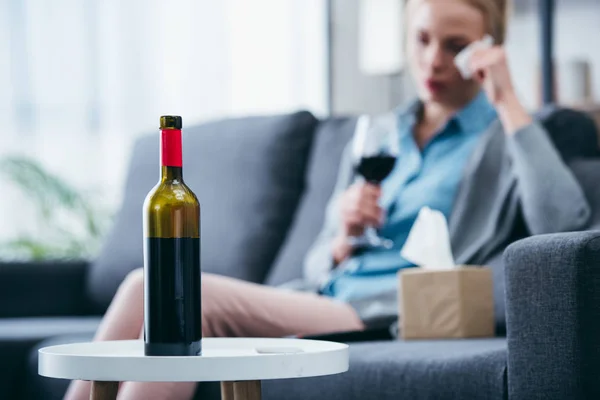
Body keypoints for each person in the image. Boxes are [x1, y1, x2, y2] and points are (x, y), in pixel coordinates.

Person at [64, 0, 591, 398]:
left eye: (455, 46)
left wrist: (509, 99)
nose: (433, 60)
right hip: (322, 296)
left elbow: (565, 220)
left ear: (487, 50)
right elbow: (316, 262)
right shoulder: (377, 134)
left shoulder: (503, 139)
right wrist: (340, 237)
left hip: (384, 311)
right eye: (423, 39)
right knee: (162, 306)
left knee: (164, 292)